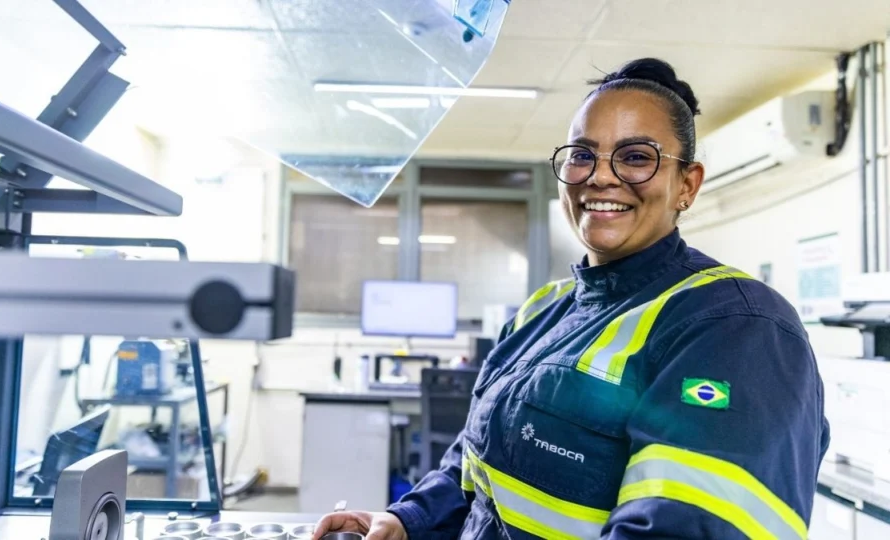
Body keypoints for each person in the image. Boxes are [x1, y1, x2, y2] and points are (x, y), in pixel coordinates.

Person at [313, 57, 830, 540]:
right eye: (582, 155)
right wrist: (408, 519)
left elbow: (687, 527)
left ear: (686, 185)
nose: (601, 175)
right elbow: (476, 466)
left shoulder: (734, 325)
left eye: (635, 157)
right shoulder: (545, 310)